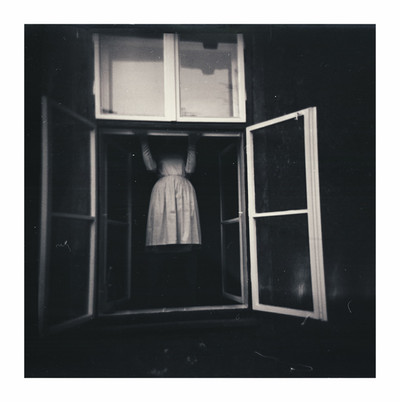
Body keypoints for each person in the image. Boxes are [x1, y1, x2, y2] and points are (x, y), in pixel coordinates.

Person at [139, 132, 202, 307]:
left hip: (183, 189)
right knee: (162, 229)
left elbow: (190, 169)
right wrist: (143, 142)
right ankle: (155, 297)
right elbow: (150, 167)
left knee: (184, 229)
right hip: (163, 191)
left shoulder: (183, 150)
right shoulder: (159, 151)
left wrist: (191, 144)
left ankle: (189, 297)